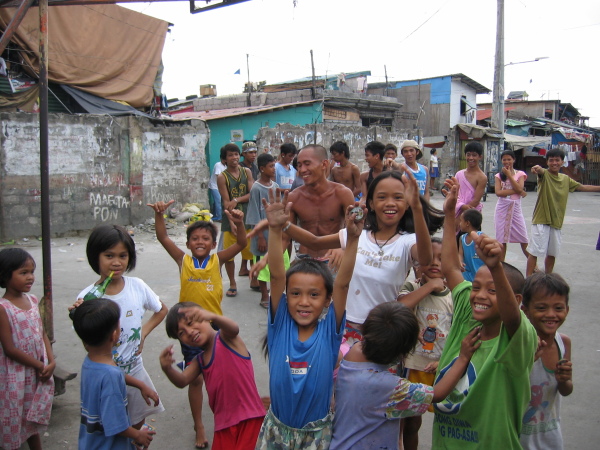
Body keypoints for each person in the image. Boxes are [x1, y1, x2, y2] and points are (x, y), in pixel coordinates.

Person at [265, 169, 443, 346]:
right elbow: (315, 242)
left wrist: (418, 208)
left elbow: (425, 259)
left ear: (407, 203)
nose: (390, 203)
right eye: (382, 197)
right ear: (371, 204)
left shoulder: (408, 241)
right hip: (344, 325)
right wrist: (283, 224)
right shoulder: (357, 233)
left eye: (398, 197)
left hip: (384, 329)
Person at [255, 188, 364, 449]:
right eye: (295, 294)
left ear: (327, 301)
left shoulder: (329, 332)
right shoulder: (279, 325)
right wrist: (275, 229)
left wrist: (353, 239)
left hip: (316, 436)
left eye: (314, 294)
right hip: (276, 431)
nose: (303, 302)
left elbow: (343, 285)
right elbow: (278, 277)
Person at [432, 177, 537, 449]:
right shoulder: (468, 314)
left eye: (492, 291)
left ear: (513, 299)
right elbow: (450, 269)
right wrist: (448, 215)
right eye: (476, 287)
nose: (478, 295)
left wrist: (496, 267)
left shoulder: (515, 340)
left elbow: (512, 316)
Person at [147, 201, 247, 448]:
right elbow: (162, 237)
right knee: (195, 380)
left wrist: (240, 223)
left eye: (205, 238)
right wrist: (159, 215)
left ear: (213, 244)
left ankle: (231, 414)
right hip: (190, 333)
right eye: (194, 238)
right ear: (188, 243)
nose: (200, 242)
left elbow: (242, 244)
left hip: (215, 332)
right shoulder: (184, 261)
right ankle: (199, 426)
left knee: (222, 375)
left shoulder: (218, 260)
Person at [330, 302, 479, 450]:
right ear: (403, 352)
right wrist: (463, 358)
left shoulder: (353, 353)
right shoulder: (391, 387)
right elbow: (438, 394)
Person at [71, 224, 167, 432]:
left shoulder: (137, 286)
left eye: (123, 256)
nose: (116, 263)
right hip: (105, 374)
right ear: (95, 257)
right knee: (109, 424)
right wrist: (78, 315)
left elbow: (161, 310)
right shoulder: (88, 297)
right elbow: (88, 343)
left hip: (134, 367)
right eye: (109, 256)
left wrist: (142, 334)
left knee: (138, 416)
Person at [160, 303, 266, 450]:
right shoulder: (200, 360)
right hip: (223, 426)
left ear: (205, 317)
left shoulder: (226, 338)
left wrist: (214, 316)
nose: (189, 332)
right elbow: (182, 381)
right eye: (181, 333)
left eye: (190, 323)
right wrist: (167, 368)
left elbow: (234, 328)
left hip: (250, 418)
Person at [72, 298, 155, 449]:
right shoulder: (110, 375)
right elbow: (116, 424)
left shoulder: (91, 361)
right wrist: (138, 435)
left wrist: (140, 385)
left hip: (91, 442)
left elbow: (114, 374)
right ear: (114, 334)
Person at [398, 237, 453, 450]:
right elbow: (402, 305)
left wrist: (443, 361)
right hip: (413, 367)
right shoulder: (412, 286)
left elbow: (457, 334)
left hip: (441, 367)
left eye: (441, 259)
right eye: (429, 258)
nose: (435, 263)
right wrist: (429, 285)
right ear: (417, 262)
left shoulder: (454, 296)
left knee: (446, 417)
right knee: (410, 421)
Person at [0, 248, 55, 450]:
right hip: (14, 376)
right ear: (6, 276)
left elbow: (42, 333)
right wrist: (39, 364)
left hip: (36, 372)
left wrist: (51, 360)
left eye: (32, 272)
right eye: (23, 273)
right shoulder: (3, 308)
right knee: (15, 416)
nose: (30, 277)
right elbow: (9, 349)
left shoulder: (32, 301)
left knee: (31, 418)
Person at [526, 148, 600, 276]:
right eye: (551, 160)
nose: (554, 163)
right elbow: (539, 171)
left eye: (557, 160)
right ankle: (528, 280)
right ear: (547, 162)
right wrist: (536, 168)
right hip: (541, 220)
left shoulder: (565, 179)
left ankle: (548, 279)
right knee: (535, 252)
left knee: (552, 253)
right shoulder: (544, 175)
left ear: (562, 162)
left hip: (557, 222)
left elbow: (582, 187)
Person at [520, 272, 573, 449]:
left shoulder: (563, 343)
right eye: (541, 308)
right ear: (525, 310)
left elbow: (565, 390)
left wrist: (564, 380)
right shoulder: (519, 346)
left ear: (567, 309)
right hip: (517, 440)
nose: (551, 314)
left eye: (558, 308)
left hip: (551, 439)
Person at [246, 153, 290, 308]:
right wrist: (260, 237)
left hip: (275, 234)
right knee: (262, 267)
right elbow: (253, 215)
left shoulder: (275, 186)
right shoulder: (256, 189)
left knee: (277, 263)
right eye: (271, 166)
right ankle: (264, 295)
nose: (274, 169)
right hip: (261, 235)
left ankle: (276, 292)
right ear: (262, 168)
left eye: (274, 166)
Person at [217, 143, 256, 295]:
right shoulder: (222, 177)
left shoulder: (246, 172)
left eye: (235, 154)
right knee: (229, 256)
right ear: (224, 159)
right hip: (230, 221)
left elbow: (251, 194)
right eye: (230, 155)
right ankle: (232, 283)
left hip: (247, 217)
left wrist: (238, 199)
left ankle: (254, 278)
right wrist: (232, 222)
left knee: (251, 252)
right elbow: (226, 203)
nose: (234, 158)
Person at [494, 149, 529, 260]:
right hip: (502, 208)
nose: (507, 161)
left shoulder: (520, 174)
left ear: (513, 160)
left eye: (509, 159)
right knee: (501, 239)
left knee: (523, 238)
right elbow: (499, 192)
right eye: (504, 159)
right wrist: (519, 191)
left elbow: (520, 187)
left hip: (515, 208)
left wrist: (509, 175)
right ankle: (502, 266)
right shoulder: (498, 176)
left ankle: (533, 264)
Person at [454, 141, 487, 219]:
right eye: (468, 155)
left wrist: (463, 209)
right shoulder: (459, 174)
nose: (471, 158)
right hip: (456, 213)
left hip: (472, 216)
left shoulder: (482, 177)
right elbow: (454, 194)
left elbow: (476, 200)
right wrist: (460, 206)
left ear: (480, 157)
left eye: (474, 155)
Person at [458, 209, 484, 282]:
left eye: (461, 221)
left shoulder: (481, 237)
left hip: (479, 273)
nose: (459, 223)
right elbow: (460, 254)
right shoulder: (462, 238)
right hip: (467, 274)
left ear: (467, 223)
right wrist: (460, 261)